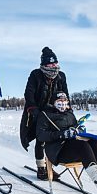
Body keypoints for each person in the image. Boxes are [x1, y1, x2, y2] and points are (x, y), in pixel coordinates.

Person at [20, 47, 69, 181]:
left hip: (54, 113)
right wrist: (33, 110)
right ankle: (41, 169)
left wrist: (67, 109)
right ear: (44, 65)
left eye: (55, 63)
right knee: (41, 140)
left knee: (53, 139)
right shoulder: (36, 75)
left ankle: (49, 166)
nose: (54, 66)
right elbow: (29, 94)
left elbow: (65, 94)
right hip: (37, 112)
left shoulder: (61, 76)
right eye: (51, 64)